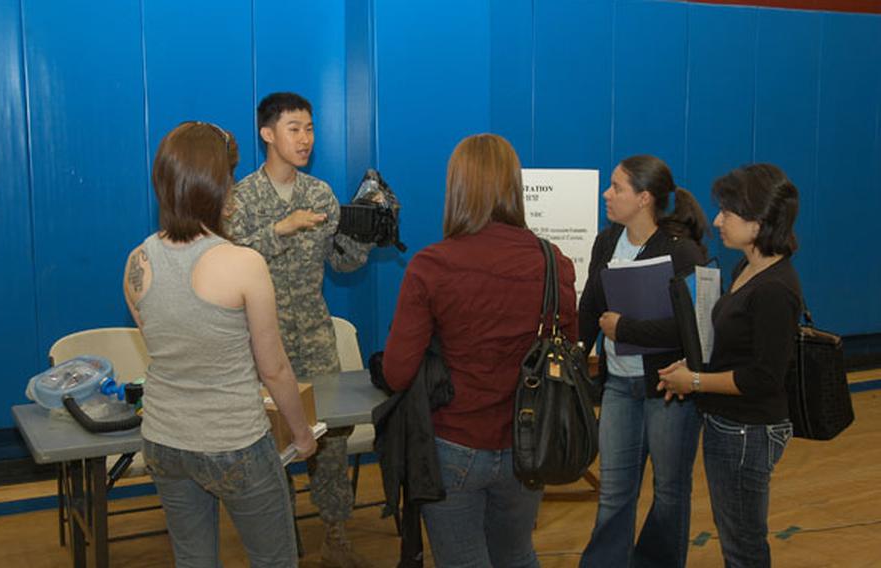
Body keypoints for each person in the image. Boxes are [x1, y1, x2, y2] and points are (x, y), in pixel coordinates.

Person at [123, 121, 317, 567]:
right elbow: (274, 370)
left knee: (193, 560)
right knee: (275, 560)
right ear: (218, 184)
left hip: (164, 440)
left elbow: (167, 348)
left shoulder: (137, 262)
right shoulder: (243, 263)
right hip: (234, 442)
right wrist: (303, 436)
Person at [381, 133, 577, 567]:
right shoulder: (554, 262)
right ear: (513, 186)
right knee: (518, 554)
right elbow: (567, 351)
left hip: (455, 445)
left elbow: (397, 373)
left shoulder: (432, 265)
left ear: (457, 189)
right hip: (530, 445)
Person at [225, 92, 374, 567]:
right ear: (267, 133)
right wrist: (280, 230)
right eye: (294, 128)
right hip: (257, 344)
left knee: (327, 442)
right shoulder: (242, 198)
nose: (305, 138)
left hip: (313, 338)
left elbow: (343, 264)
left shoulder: (320, 194)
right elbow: (226, 266)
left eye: (309, 128)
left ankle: (335, 531)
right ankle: (280, 534)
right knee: (270, 445)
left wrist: (365, 233)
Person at [658, 164, 801, 568]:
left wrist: (697, 381)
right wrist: (691, 368)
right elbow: (738, 350)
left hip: (747, 432)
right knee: (737, 535)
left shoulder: (774, 288)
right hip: (730, 426)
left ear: (758, 224)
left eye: (728, 213)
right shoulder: (747, 268)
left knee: (743, 545)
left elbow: (762, 378)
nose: (717, 220)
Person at [578, 155, 708, 567]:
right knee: (615, 491)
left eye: (616, 187)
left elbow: (694, 332)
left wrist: (627, 329)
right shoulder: (606, 240)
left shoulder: (684, 253)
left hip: (668, 389)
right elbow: (590, 307)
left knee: (670, 491)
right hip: (618, 386)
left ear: (645, 198)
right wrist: (576, 354)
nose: (607, 193)